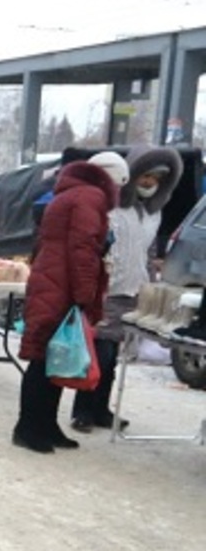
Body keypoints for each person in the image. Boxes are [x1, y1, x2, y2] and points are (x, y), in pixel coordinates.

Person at [12, 151, 126, 453]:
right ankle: (28, 428)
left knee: (53, 356)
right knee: (45, 359)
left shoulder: (71, 194)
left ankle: (45, 425)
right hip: (61, 286)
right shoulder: (90, 198)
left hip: (52, 280)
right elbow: (83, 248)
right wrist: (85, 294)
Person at [72, 146, 183, 431]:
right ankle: (82, 410)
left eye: (157, 179)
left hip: (132, 293)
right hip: (106, 289)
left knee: (113, 355)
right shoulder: (113, 207)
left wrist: (150, 282)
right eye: (145, 176)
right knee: (98, 352)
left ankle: (100, 408)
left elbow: (148, 251)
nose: (149, 183)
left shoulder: (153, 214)